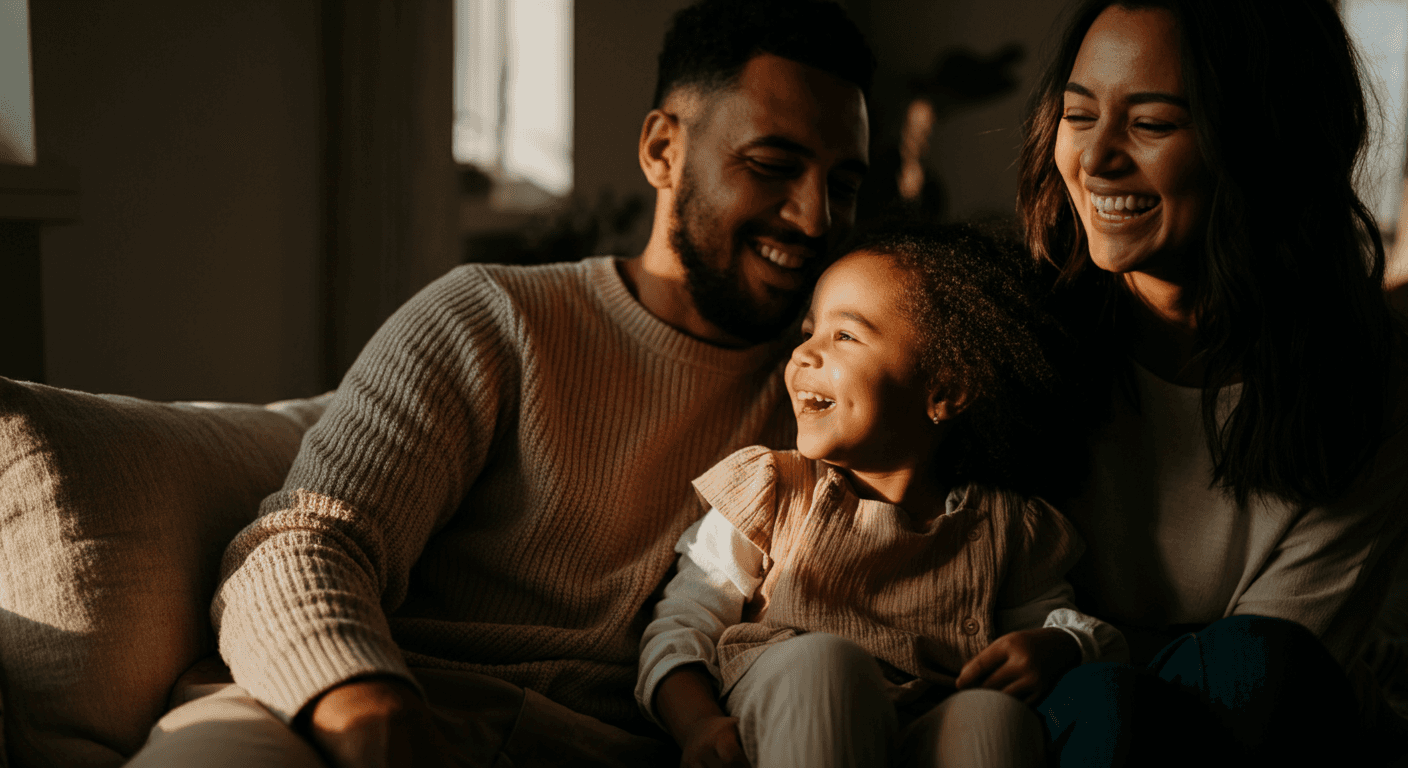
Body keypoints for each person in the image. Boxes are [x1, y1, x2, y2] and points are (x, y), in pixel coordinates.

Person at [124, 2, 873, 766]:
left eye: (842, 184)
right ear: (661, 150)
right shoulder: (494, 318)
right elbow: (300, 544)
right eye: (772, 166)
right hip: (373, 703)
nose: (816, 219)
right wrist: (361, 699)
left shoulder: (838, 401)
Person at [1015, 0, 1408, 764]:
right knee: (1104, 707)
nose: (1095, 159)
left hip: (1265, 720)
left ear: (1264, 142)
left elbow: (1277, 674)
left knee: (1249, 668)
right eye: (1077, 113)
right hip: (1068, 719)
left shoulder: (1376, 373)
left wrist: (1088, 643)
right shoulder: (1012, 329)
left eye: (1153, 124)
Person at [636, 222, 1128, 768]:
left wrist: (1063, 647)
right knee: (827, 665)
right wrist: (699, 725)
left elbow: (1087, 632)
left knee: (994, 716)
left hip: (922, 728)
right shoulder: (770, 492)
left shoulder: (1006, 528)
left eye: (843, 336)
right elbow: (680, 627)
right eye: (808, 332)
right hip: (787, 708)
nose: (803, 355)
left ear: (944, 391)